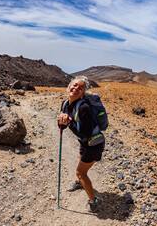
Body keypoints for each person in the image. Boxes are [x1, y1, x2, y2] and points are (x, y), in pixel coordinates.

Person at [57, 76, 105, 213]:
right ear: (69, 86)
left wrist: (69, 123)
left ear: (83, 93)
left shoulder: (84, 107)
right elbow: (62, 125)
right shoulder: (65, 104)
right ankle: (80, 183)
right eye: (75, 85)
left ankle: (93, 202)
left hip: (94, 144)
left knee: (80, 172)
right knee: (81, 163)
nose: (76, 88)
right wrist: (62, 121)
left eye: (81, 87)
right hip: (84, 143)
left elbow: (86, 132)